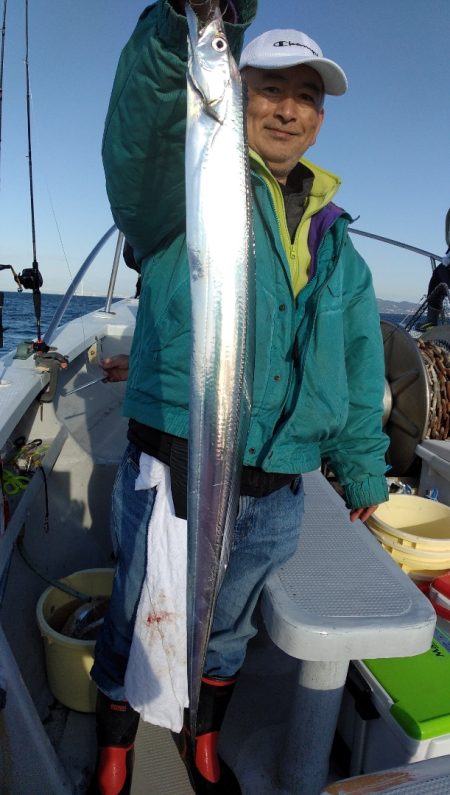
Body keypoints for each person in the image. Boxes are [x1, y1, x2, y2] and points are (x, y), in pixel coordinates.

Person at [89, 1, 389, 793]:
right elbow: (136, 136)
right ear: (227, 86)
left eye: (307, 95)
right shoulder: (184, 186)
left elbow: (360, 367)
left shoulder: (338, 241)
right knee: (137, 608)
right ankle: (117, 740)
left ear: (321, 119)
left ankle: (199, 732)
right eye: (269, 88)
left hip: (280, 480)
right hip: (177, 455)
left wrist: (362, 469)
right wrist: (174, 32)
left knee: (227, 628)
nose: (288, 108)